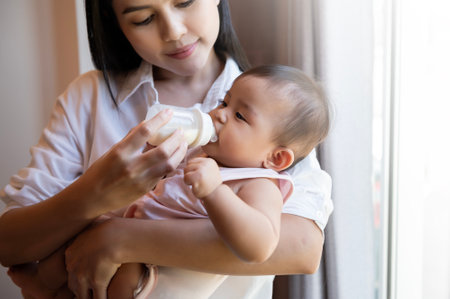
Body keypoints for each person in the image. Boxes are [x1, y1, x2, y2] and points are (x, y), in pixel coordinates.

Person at [0, 0, 333, 298]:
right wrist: (95, 194)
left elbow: (301, 248)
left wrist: (117, 239)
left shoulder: (276, 115)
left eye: (185, 2)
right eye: (144, 18)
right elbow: (10, 243)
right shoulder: (90, 97)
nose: (174, 32)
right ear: (114, 21)